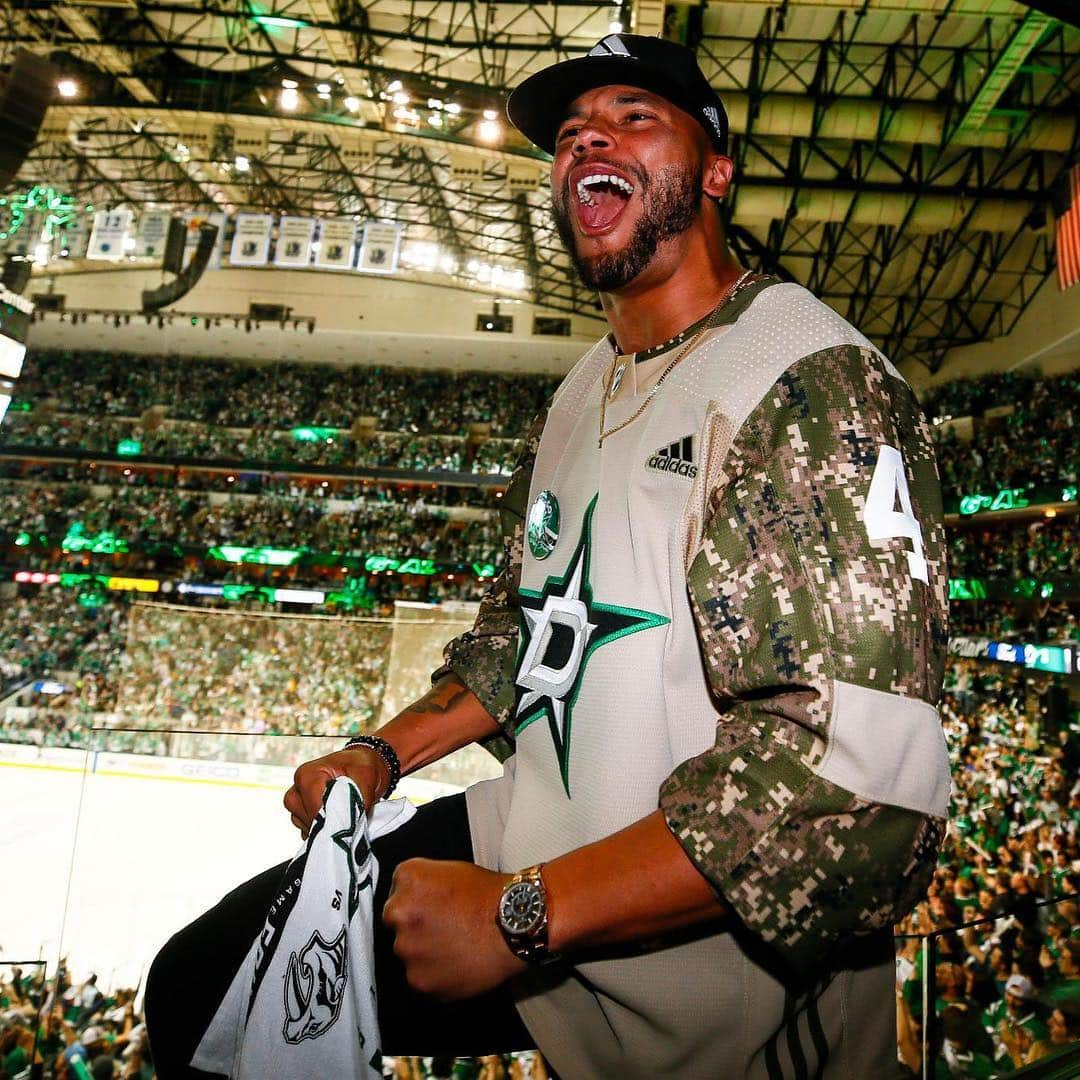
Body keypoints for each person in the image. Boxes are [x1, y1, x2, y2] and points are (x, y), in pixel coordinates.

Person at [146, 33, 950, 1078]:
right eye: (570, 135)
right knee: (203, 995)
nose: (586, 143)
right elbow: (528, 636)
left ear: (716, 168)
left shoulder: (806, 380)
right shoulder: (582, 389)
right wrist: (379, 755)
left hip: (710, 988)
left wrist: (519, 917)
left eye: (631, 117)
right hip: (536, 843)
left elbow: (856, 795)